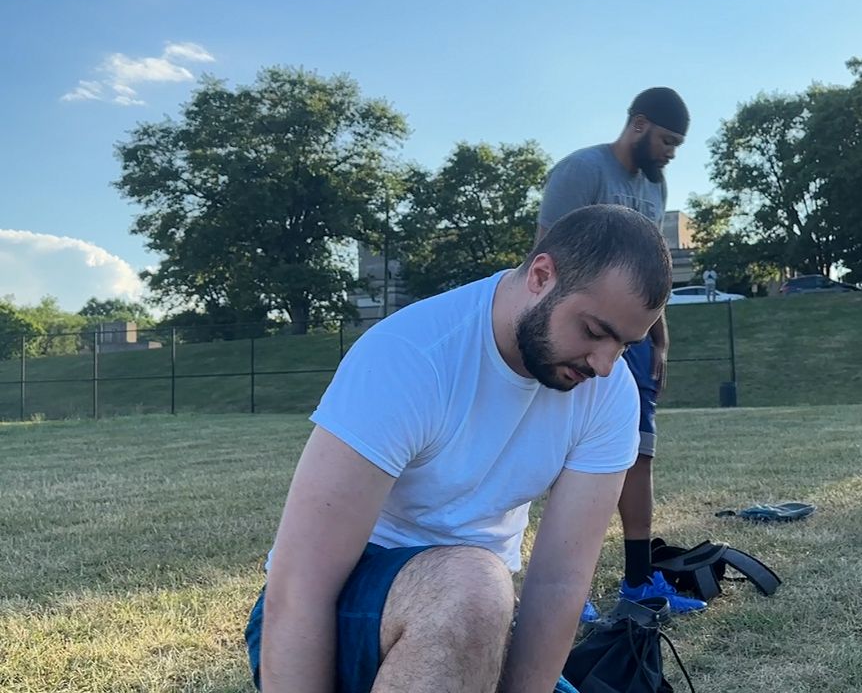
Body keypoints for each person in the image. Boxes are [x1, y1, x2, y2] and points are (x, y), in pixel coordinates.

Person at [246, 205, 672, 693]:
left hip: (481, 621)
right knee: (473, 589)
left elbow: (559, 582)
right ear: (541, 276)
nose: (603, 363)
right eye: (594, 332)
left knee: (479, 595)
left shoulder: (609, 391)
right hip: (347, 609)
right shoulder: (411, 356)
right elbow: (301, 582)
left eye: (625, 345)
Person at [536, 87, 705, 620]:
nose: (671, 152)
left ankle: (637, 580)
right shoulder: (581, 171)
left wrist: (658, 336)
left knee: (639, 453)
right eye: (667, 140)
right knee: (565, 451)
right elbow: (543, 259)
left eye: (677, 145)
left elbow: (649, 278)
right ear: (638, 125)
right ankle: (559, 588)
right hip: (580, 332)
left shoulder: (655, 188)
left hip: (632, 345)